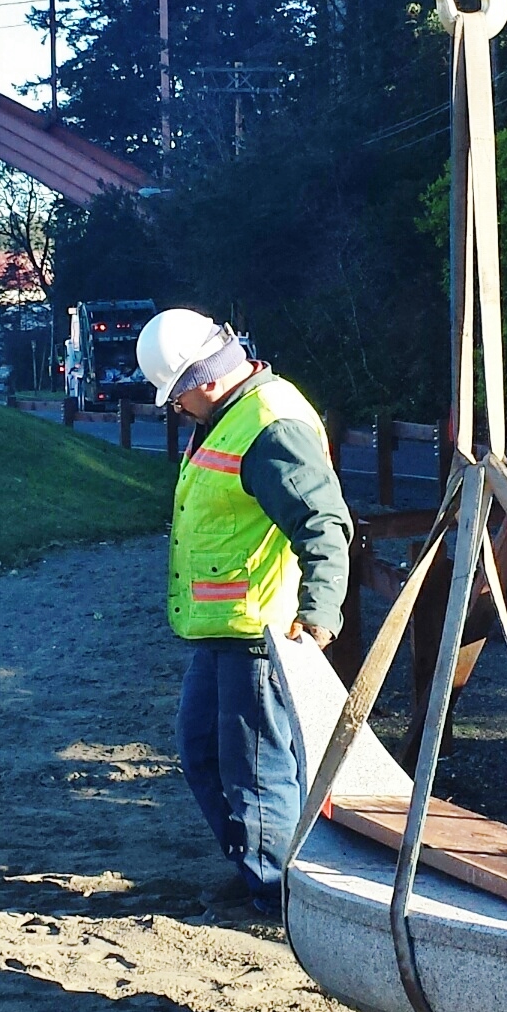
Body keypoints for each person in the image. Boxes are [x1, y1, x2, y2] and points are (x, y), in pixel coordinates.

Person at [141, 307, 355, 901]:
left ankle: (279, 894)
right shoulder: (231, 415)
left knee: (256, 774)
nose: (175, 408)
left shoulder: (269, 424)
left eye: (176, 396)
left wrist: (317, 615)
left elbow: (324, 524)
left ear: (203, 379)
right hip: (226, 628)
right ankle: (257, 871)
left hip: (261, 634)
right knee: (205, 753)